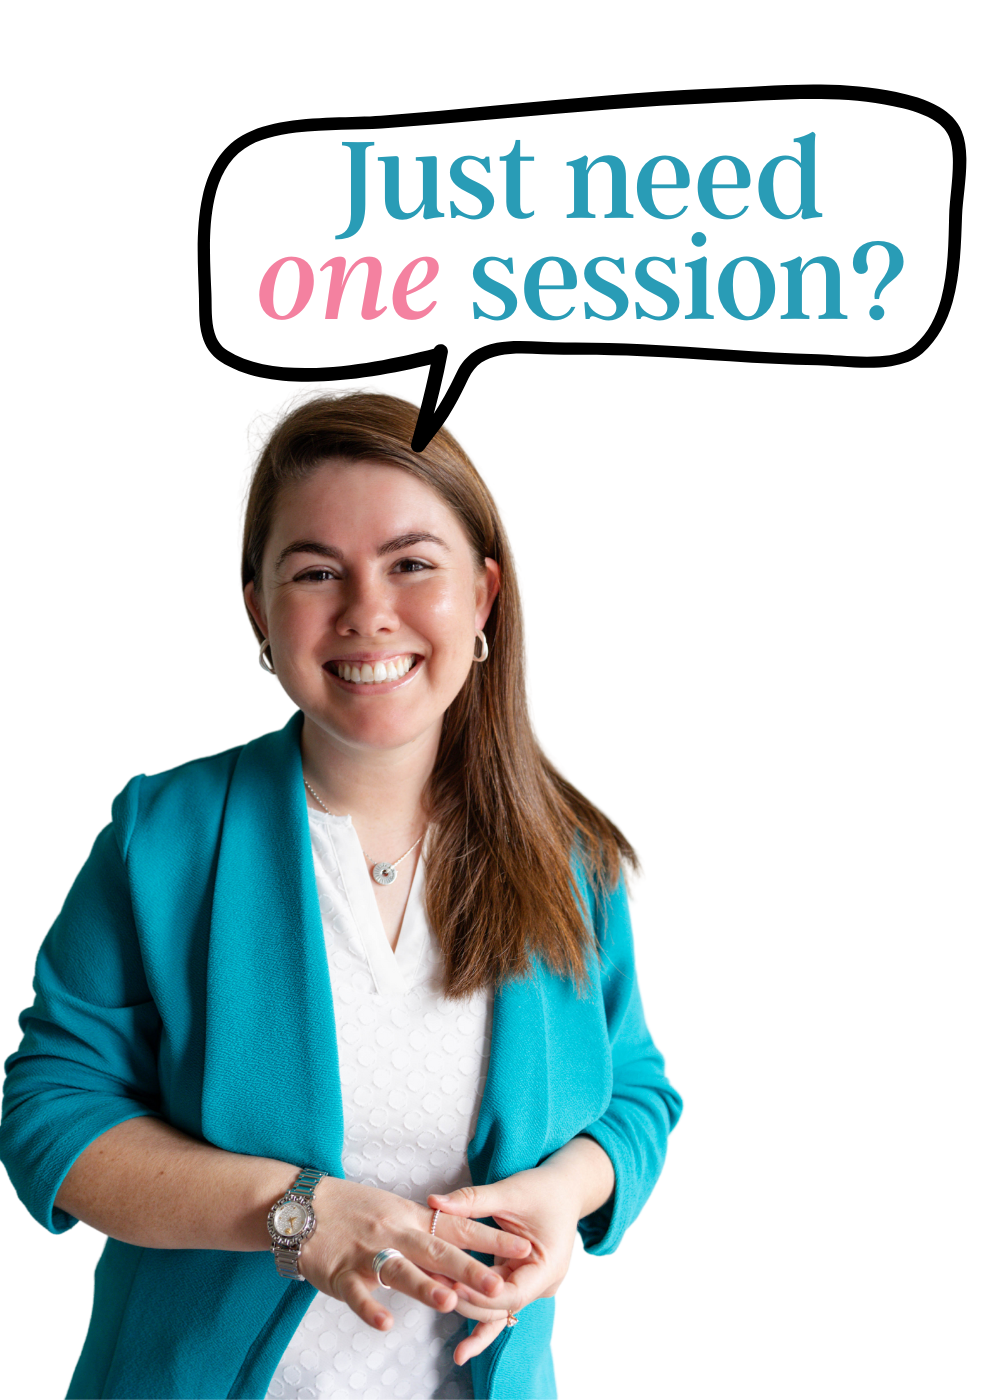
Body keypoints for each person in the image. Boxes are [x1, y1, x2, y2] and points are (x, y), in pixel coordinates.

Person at [0, 384, 683, 1399]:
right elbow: (49, 1112)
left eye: (412, 564)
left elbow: (638, 1093)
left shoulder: (572, 850)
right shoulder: (162, 835)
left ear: (484, 595)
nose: (368, 611)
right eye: (317, 571)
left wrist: (559, 1193)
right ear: (260, 614)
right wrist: (296, 1211)